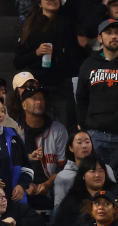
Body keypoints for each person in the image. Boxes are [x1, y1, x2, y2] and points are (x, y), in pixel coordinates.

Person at [75, 19, 118, 164]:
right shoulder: (88, 64)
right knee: (95, 179)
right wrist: (84, 125)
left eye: (117, 33)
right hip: (95, 134)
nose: (113, 36)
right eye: (108, 33)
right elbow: (81, 98)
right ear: (100, 38)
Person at [14, 0, 85, 129]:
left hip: (61, 85)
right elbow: (18, 62)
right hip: (37, 87)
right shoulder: (30, 26)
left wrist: (57, 54)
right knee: (38, 128)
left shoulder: (68, 24)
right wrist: (36, 53)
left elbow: (76, 58)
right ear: (39, 3)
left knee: (65, 127)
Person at [55, 156, 118, 226]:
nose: (97, 175)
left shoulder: (116, 194)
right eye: (93, 171)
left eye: (101, 171)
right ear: (83, 175)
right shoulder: (73, 199)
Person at [18, 85, 68, 210]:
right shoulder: (15, 130)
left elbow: (63, 165)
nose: (39, 102)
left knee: (67, 178)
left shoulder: (58, 129)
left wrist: (48, 183)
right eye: (34, 99)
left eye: (41, 99)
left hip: (50, 186)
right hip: (22, 185)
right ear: (24, 105)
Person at [54, 131, 118, 209]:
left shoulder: (106, 169)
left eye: (87, 142)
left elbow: (115, 196)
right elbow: (59, 207)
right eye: (79, 143)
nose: (84, 146)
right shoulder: (63, 177)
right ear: (71, 148)